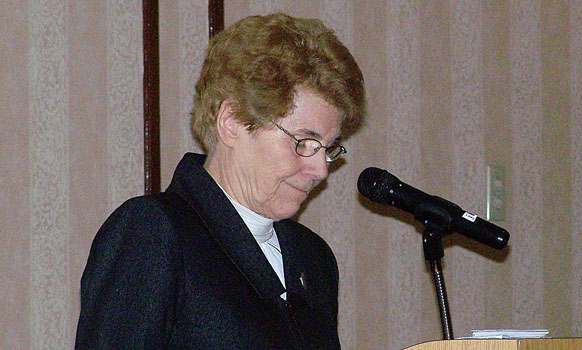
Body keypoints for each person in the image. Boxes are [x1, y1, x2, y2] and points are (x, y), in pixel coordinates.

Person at [75, 13, 365, 349]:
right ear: (232, 122)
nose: (320, 170)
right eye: (303, 143)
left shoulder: (313, 259)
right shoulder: (154, 232)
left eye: (328, 149)